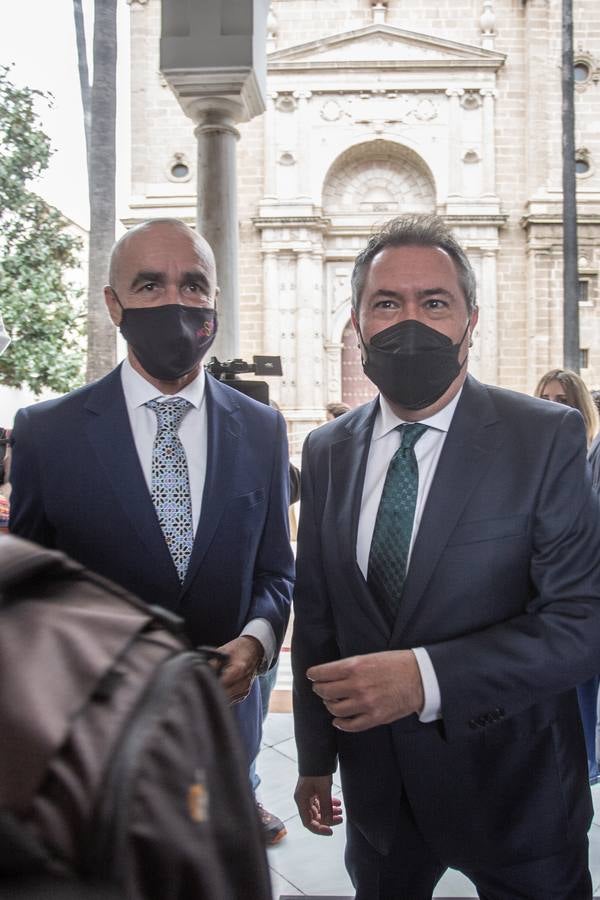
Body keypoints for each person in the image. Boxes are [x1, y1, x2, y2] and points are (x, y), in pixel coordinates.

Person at [292, 214, 600, 899]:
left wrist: (425, 678)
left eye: (434, 302)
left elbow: (580, 624)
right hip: (380, 797)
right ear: (358, 321)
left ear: (471, 320)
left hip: (517, 793)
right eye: (386, 303)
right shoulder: (327, 451)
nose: (411, 322)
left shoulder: (543, 438)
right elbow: (318, 615)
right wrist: (316, 757)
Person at [9, 218, 295, 836]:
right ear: (114, 305)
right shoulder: (47, 433)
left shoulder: (262, 429)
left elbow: (275, 570)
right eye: (149, 286)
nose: (175, 303)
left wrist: (256, 643)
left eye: (193, 285)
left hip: (226, 736)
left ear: (214, 302)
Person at [535, 368, 600, 784]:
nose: (555, 407)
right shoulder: (536, 459)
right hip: (560, 601)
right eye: (547, 399)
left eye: (564, 400)